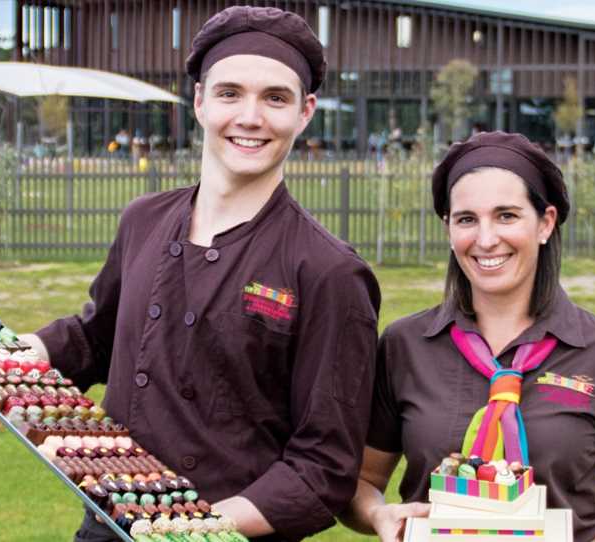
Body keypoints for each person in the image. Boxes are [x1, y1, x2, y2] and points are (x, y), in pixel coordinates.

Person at [21, 6, 381, 542]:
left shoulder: (329, 271)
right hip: (106, 524)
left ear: (305, 113)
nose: (250, 117)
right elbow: (98, 340)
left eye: (275, 98)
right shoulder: (143, 220)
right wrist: (10, 352)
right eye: (230, 92)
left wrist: (194, 527)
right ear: (199, 101)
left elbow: (323, 468)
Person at [341, 131, 595, 542]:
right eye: (466, 219)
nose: (485, 239)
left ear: (545, 223)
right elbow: (359, 481)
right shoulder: (403, 344)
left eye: (506, 215)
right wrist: (378, 513)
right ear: (448, 229)